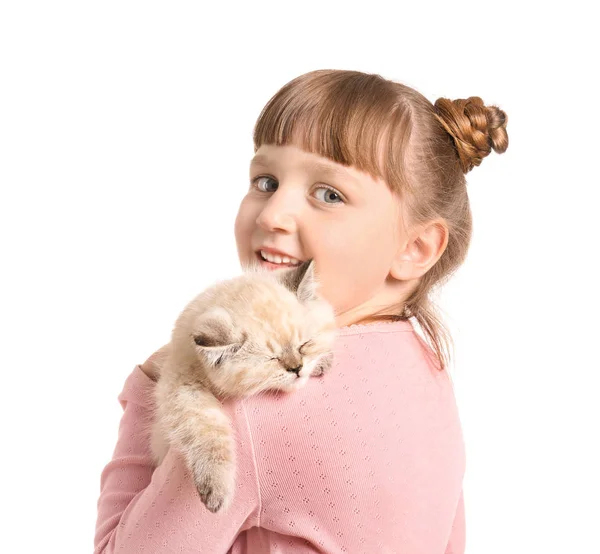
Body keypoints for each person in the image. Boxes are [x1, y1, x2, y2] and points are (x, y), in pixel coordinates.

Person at [94, 69, 508, 553]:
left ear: (417, 247)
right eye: (265, 181)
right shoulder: (426, 367)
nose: (271, 214)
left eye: (329, 194)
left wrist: (154, 383)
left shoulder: (255, 410)